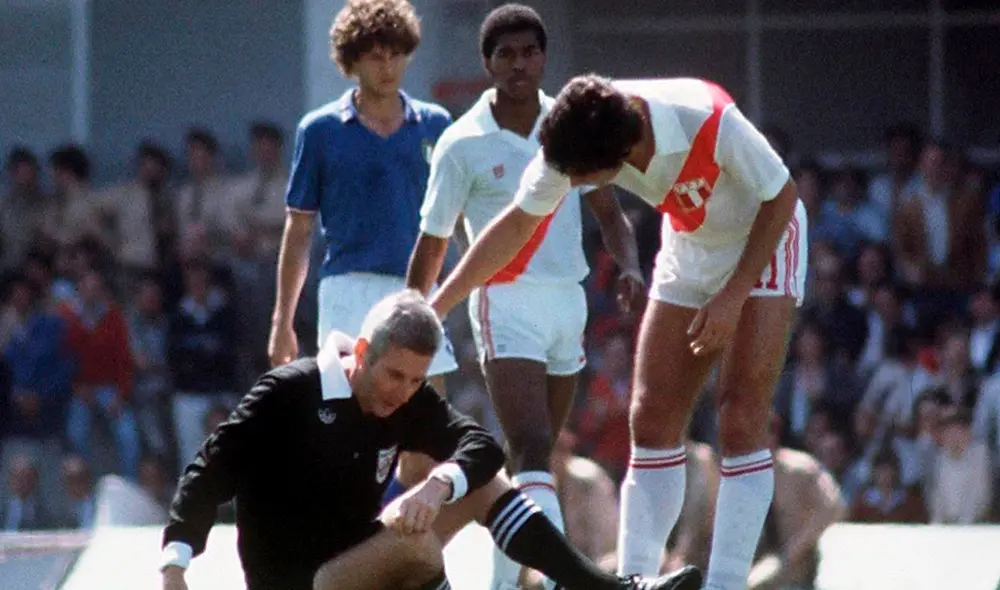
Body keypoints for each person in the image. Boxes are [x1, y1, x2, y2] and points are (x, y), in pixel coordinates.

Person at [429, 75, 808, 589]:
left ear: (622, 154)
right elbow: (516, 227)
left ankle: (726, 584)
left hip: (766, 237)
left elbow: (781, 197)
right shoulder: (573, 136)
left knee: (739, 417)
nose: (578, 186)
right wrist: (437, 305)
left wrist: (733, 295)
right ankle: (635, 582)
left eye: (586, 179)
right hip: (692, 242)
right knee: (650, 419)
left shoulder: (708, 119)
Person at [160, 290, 700, 590]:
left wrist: (439, 483)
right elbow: (210, 468)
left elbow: (481, 447)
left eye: (417, 380)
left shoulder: (407, 399)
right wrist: (174, 567)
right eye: (395, 375)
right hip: (300, 584)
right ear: (362, 351)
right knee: (415, 546)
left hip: (358, 561)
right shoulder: (291, 391)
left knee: (482, 485)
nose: (404, 391)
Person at [405, 6, 642, 589]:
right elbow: (433, 240)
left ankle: (505, 582)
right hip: (503, 301)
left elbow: (610, 212)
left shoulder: (570, 124)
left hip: (569, 301)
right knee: (534, 447)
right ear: (487, 63)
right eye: (505, 54)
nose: (518, 64)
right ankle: (572, 581)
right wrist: (414, 314)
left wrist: (632, 266)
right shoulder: (461, 144)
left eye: (528, 52)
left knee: (534, 458)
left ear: (544, 57)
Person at [266, 0, 458, 497]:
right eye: (375, 56)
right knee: (346, 434)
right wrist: (282, 320)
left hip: (420, 293)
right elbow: (299, 231)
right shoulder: (320, 130)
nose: (387, 67)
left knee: (426, 446)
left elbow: (461, 219)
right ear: (353, 61)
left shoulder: (436, 125)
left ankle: (403, 564)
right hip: (348, 292)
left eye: (396, 54)